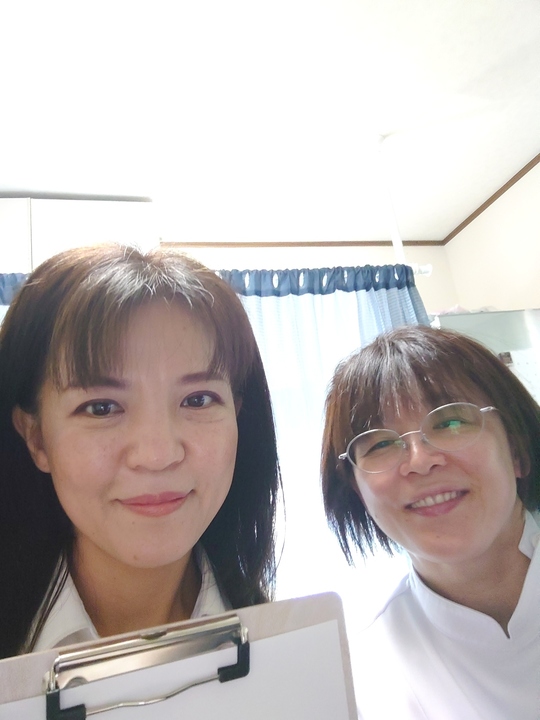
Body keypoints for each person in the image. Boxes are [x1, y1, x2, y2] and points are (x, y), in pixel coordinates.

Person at [0, 244, 280, 659]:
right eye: (101, 408)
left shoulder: (287, 647)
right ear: (37, 438)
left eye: (198, 400)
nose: (157, 454)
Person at [321, 325, 540, 720]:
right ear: (358, 493)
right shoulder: (361, 680)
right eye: (381, 444)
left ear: (518, 451)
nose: (420, 461)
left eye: (451, 423)